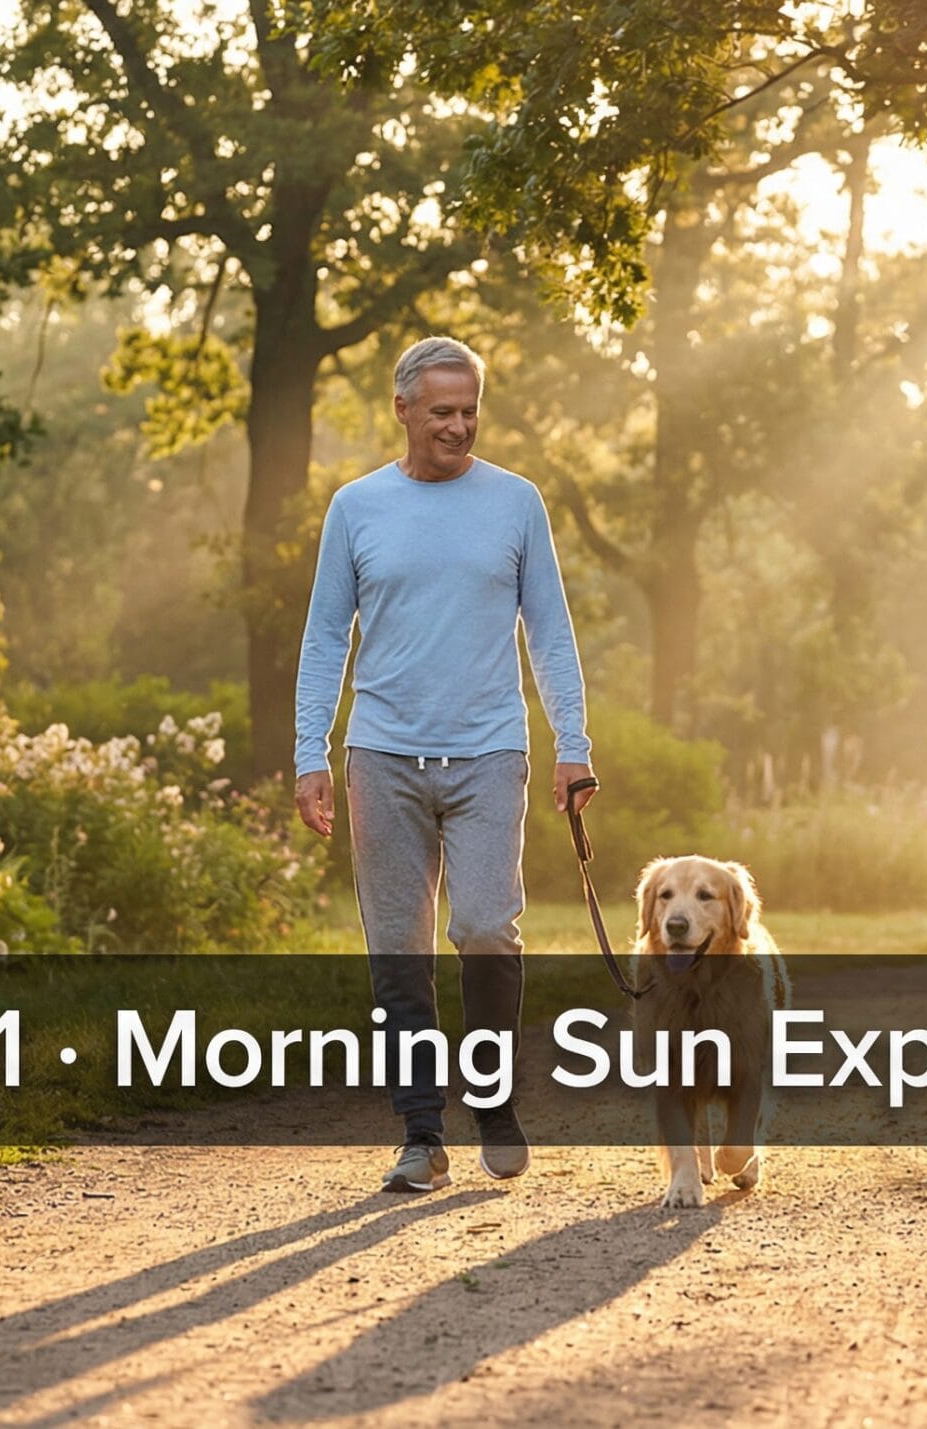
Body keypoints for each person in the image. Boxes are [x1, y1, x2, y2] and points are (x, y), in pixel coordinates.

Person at [292, 336, 597, 1192]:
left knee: (487, 928)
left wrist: (573, 746)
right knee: (398, 947)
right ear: (402, 411)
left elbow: (551, 630)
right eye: (442, 412)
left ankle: (493, 1099)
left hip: (490, 751)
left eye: (469, 411)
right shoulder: (357, 507)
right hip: (382, 753)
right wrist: (308, 751)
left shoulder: (516, 502)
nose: (459, 426)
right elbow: (324, 637)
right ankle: (422, 1133)